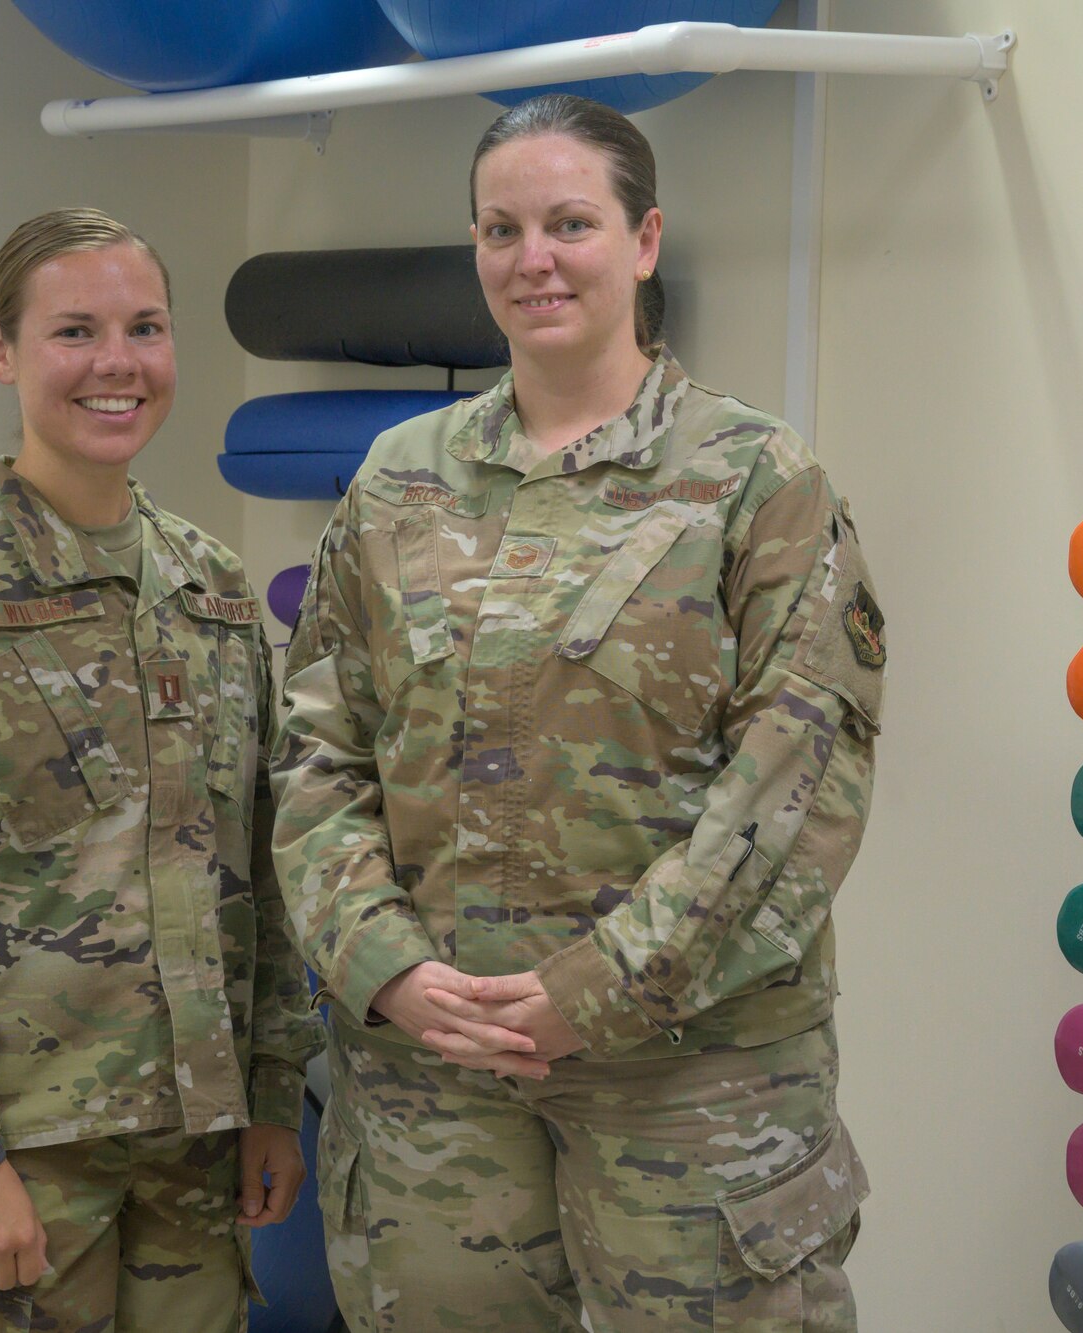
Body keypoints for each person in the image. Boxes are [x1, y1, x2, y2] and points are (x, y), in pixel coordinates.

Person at [274, 94, 883, 1331]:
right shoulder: (398, 478)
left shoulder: (754, 477)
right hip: (434, 1078)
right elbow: (314, 753)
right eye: (501, 230)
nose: (532, 258)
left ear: (643, 240)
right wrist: (384, 966)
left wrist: (598, 987)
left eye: (569, 223)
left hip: (685, 1077)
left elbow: (793, 784)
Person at [0, 208, 323, 1331]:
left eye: (144, 327)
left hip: (190, 1148)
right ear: (0, 351)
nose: (116, 363)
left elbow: (266, 872)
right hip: (8, 1154)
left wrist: (274, 1094)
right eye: (74, 331)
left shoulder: (214, 588)